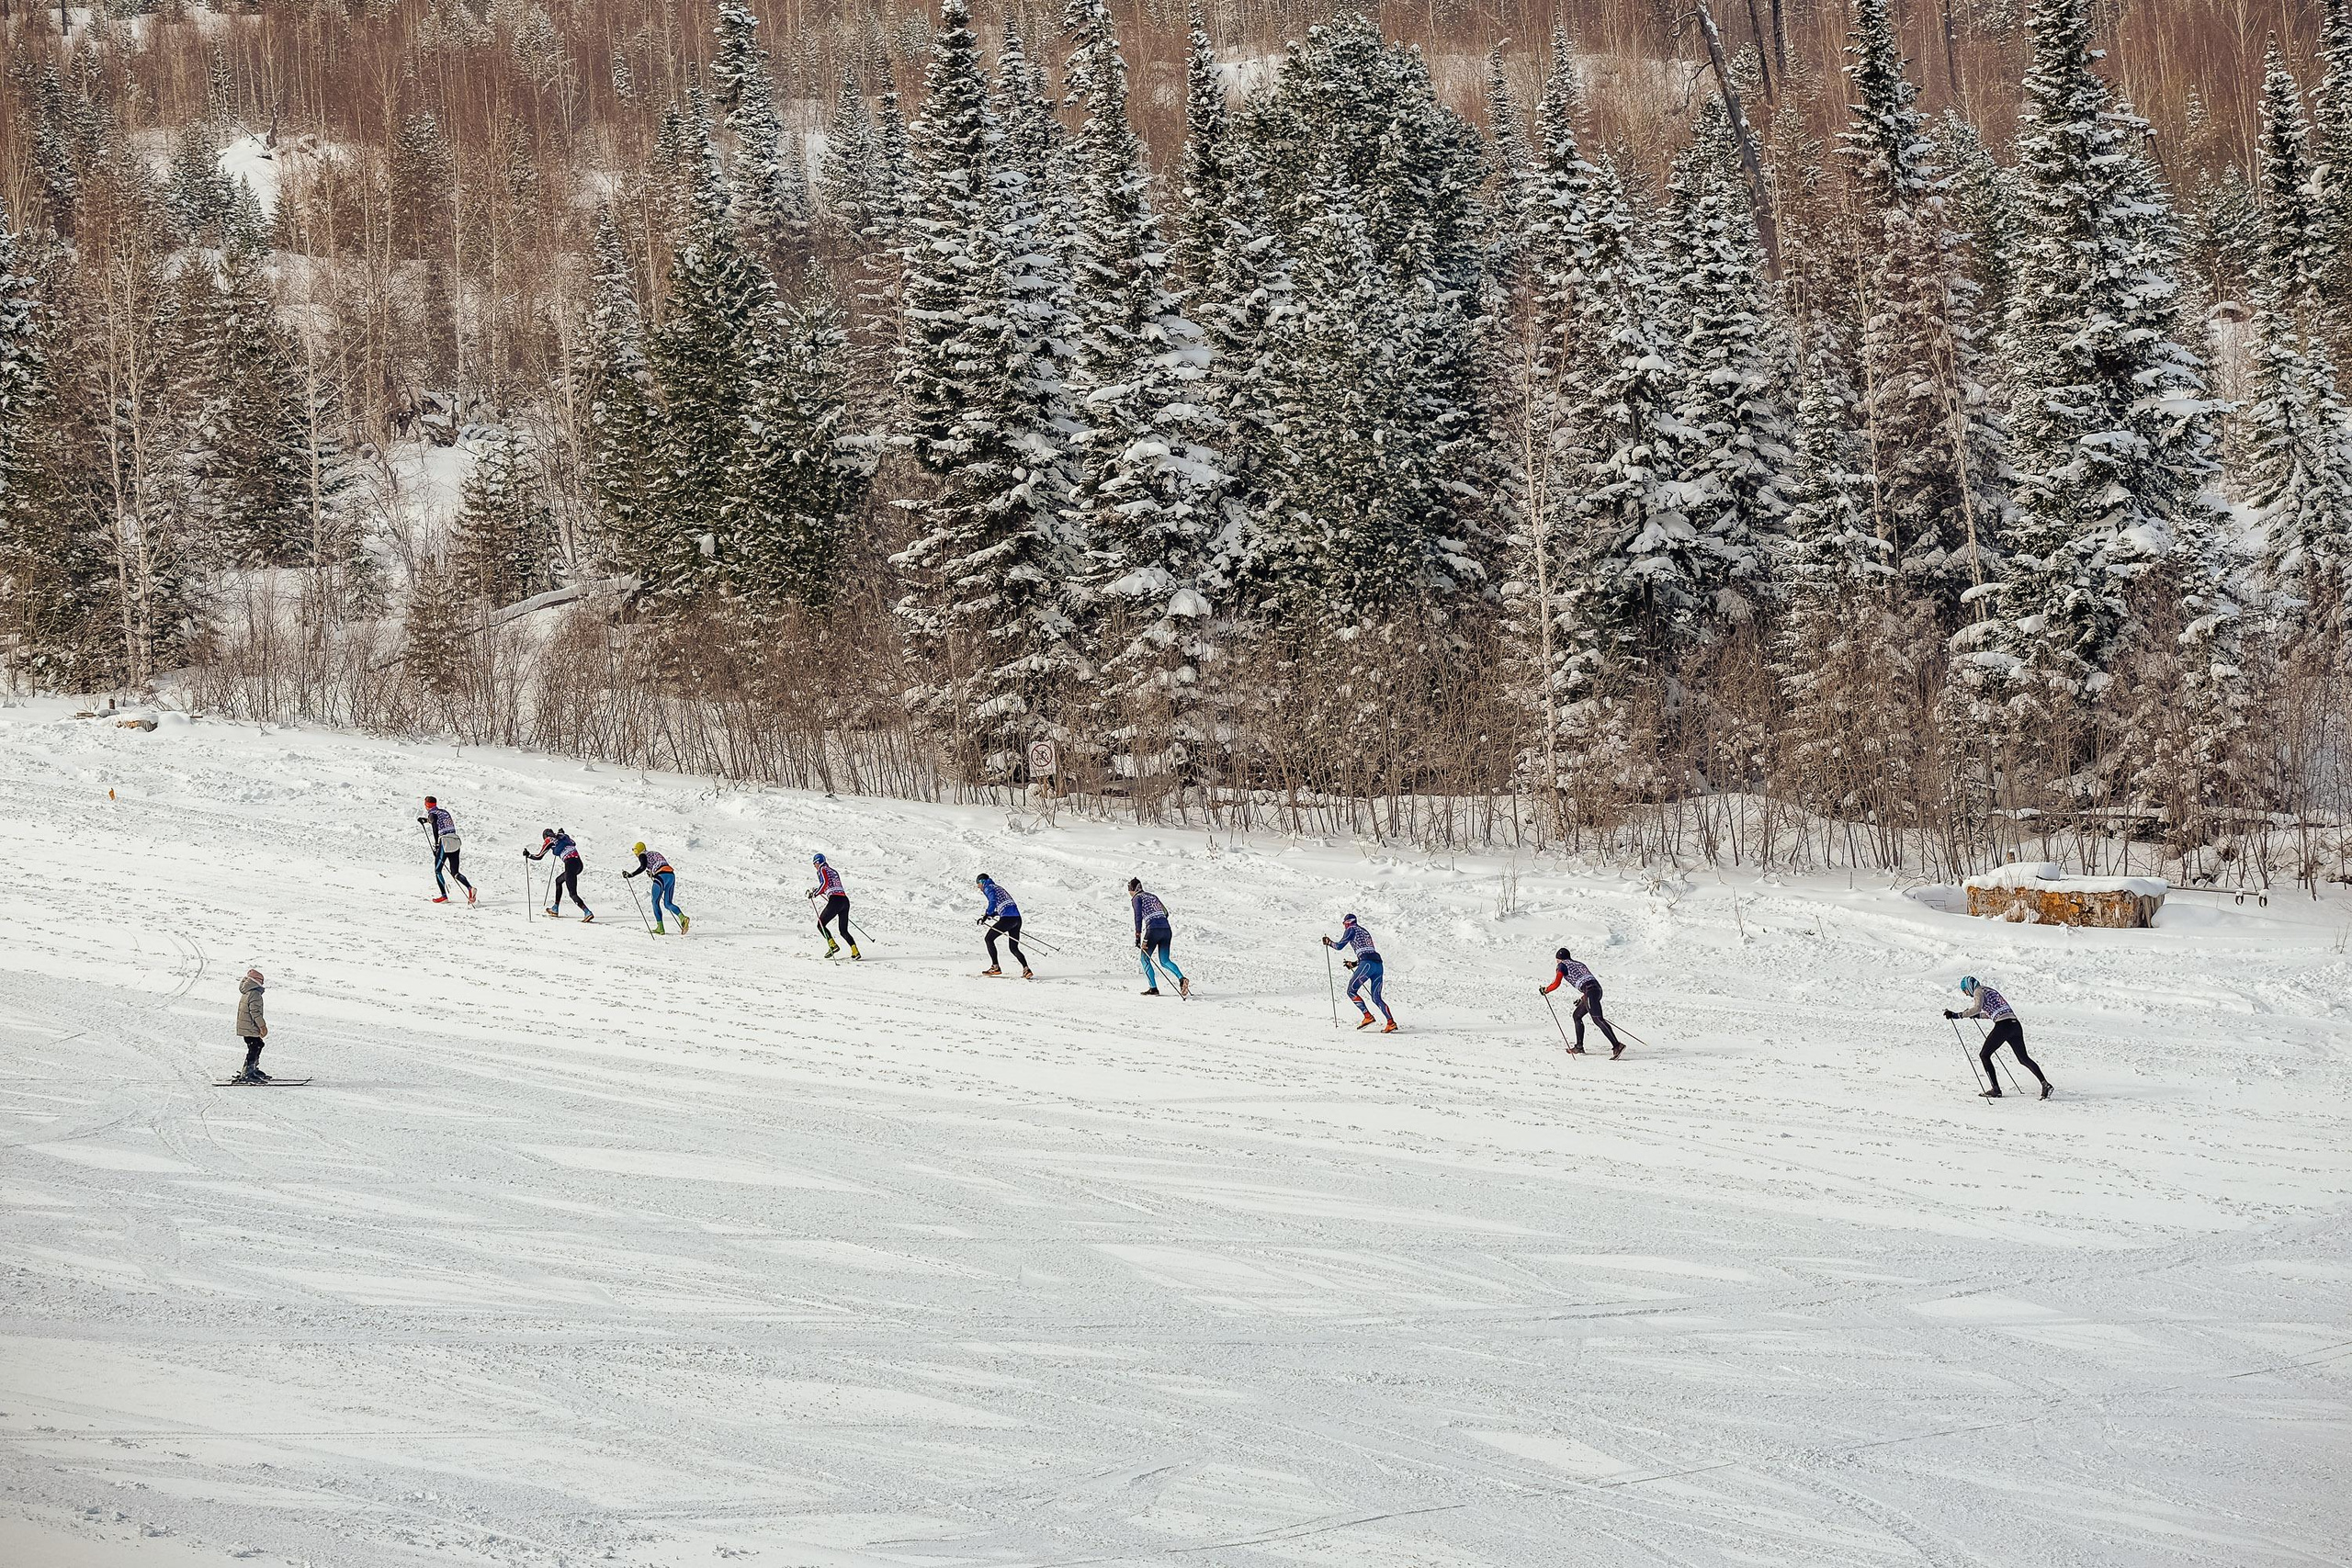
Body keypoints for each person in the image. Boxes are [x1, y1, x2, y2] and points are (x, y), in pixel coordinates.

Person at [1947, 976, 2052, 1099]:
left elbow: (1977, 1007)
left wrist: (1958, 1015)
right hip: (2015, 1025)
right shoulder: (1989, 990)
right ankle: (2045, 1084)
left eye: (1964, 990)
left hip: (2003, 1026)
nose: (1966, 994)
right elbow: (1994, 1010)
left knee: (1984, 1055)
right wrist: (1978, 1016)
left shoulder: (1978, 991)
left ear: (1968, 986)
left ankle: (1996, 1090)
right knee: (2023, 1058)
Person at [1541, 947, 1624, 1057]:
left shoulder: (1562, 965)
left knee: (1598, 1019)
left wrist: (1546, 990)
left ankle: (1617, 1045)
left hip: (1590, 991)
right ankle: (1579, 1047)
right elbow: (1586, 979)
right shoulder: (1579, 964)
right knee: (1577, 1015)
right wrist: (1583, 998)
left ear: (1558, 959)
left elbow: (1556, 982)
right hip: (1596, 990)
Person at [1323, 913, 1396, 1032]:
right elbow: (1368, 950)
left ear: (1347, 922)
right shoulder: (1364, 930)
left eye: (1344, 923)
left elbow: (1339, 946)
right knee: (1376, 997)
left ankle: (1367, 1016)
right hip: (1378, 964)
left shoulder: (1350, 929)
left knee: (1351, 991)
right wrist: (1355, 963)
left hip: (1367, 964)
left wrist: (1329, 942)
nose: (1344, 926)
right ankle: (1391, 1022)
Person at [1130, 878, 1187, 998]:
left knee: (1144, 959)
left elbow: (1138, 917)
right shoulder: (1152, 896)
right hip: (1166, 930)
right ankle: (1182, 979)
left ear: (1132, 889)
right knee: (1165, 960)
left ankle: (1153, 988)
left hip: (1153, 931)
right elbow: (1165, 912)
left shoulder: (1136, 898)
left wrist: (1138, 936)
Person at [526, 828, 593, 921]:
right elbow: (573, 843)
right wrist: (561, 834)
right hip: (579, 864)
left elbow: (539, 856)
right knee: (558, 881)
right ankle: (555, 908)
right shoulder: (564, 836)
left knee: (572, 894)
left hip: (570, 864)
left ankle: (587, 912)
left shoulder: (548, 840)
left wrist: (528, 855)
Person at [418, 795, 475, 905]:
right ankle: (470, 888)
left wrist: (436, 845)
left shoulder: (432, 814)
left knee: (438, 870)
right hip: (455, 840)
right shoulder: (443, 812)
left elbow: (435, 826)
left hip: (445, 842)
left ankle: (444, 896)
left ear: (427, 805)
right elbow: (436, 821)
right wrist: (425, 820)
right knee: (455, 872)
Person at [624, 842, 689, 934]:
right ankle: (683, 918)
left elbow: (642, 867)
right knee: (668, 903)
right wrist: (653, 874)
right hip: (671, 876)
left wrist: (631, 875)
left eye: (635, 851)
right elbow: (660, 865)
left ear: (638, 850)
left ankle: (660, 927)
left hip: (661, 876)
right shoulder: (654, 853)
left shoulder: (642, 855)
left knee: (655, 901)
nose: (635, 854)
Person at [975, 874, 1031, 977]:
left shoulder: (988, 887)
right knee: (1014, 948)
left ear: (982, 882)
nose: (979, 888)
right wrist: (993, 914)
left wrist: (986, 915)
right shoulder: (999, 888)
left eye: (978, 885)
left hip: (1007, 919)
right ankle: (1026, 969)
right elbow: (1005, 905)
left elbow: (992, 902)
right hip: (1017, 919)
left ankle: (995, 967)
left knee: (988, 939)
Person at [808, 853, 857, 959]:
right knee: (843, 930)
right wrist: (819, 890)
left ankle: (833, 945)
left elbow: (825, 883)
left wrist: (815, 894)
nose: (815, 866)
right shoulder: (834, 871)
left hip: (835, 900)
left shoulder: (822, 869)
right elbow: (831, 885)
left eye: (814, 864)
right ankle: (855, 951)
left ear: (818, 862)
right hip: (844, 900)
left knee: (820, 924)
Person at [234, 967, 270, 1082]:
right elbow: (255, 1012)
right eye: (261, 980)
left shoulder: (247, 992)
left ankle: (251, 1068)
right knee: (255, 1046)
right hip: (250, 1026)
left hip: (246, 1026)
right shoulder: (254, 993)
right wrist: (262, 1027)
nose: (262, 983)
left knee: (256, 1045)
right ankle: (249, 1072)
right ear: (256, 981)